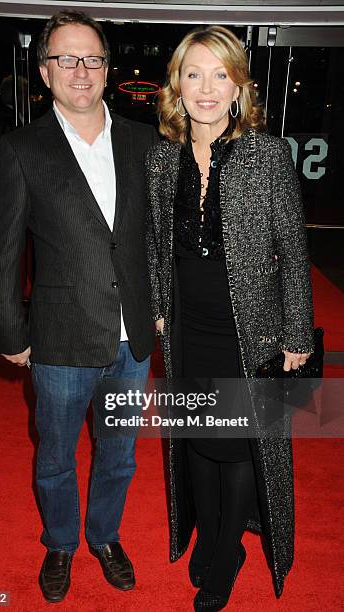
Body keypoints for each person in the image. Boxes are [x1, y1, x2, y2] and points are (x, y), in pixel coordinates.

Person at [0, 10, 158, 604]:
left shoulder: (145, 142)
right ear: (44, 71)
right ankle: (60, 542)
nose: (80, 71)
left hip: (131, 340)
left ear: (108, 69)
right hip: (58, 341)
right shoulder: (21, 149)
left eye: (92, 59)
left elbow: (157, 240)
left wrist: (159, 309)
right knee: (55, 458)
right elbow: (3, 250)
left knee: (120, 457)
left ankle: (104, 536)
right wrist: (10, 331)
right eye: (66, 58)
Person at [145, 25, 314, 611]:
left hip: (251, 330)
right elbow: (155, 243)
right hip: (188, 328)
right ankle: (212, 533)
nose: (207, 88)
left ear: (239, 86)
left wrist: (296, 333)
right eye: (194, 73)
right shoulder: (164, 159)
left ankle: (226, 549)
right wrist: (160, 310)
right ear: (177, 85)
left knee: (242, 445)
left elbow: (293, 249)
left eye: (221, 74)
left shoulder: (267, 154)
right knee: (195, 436)